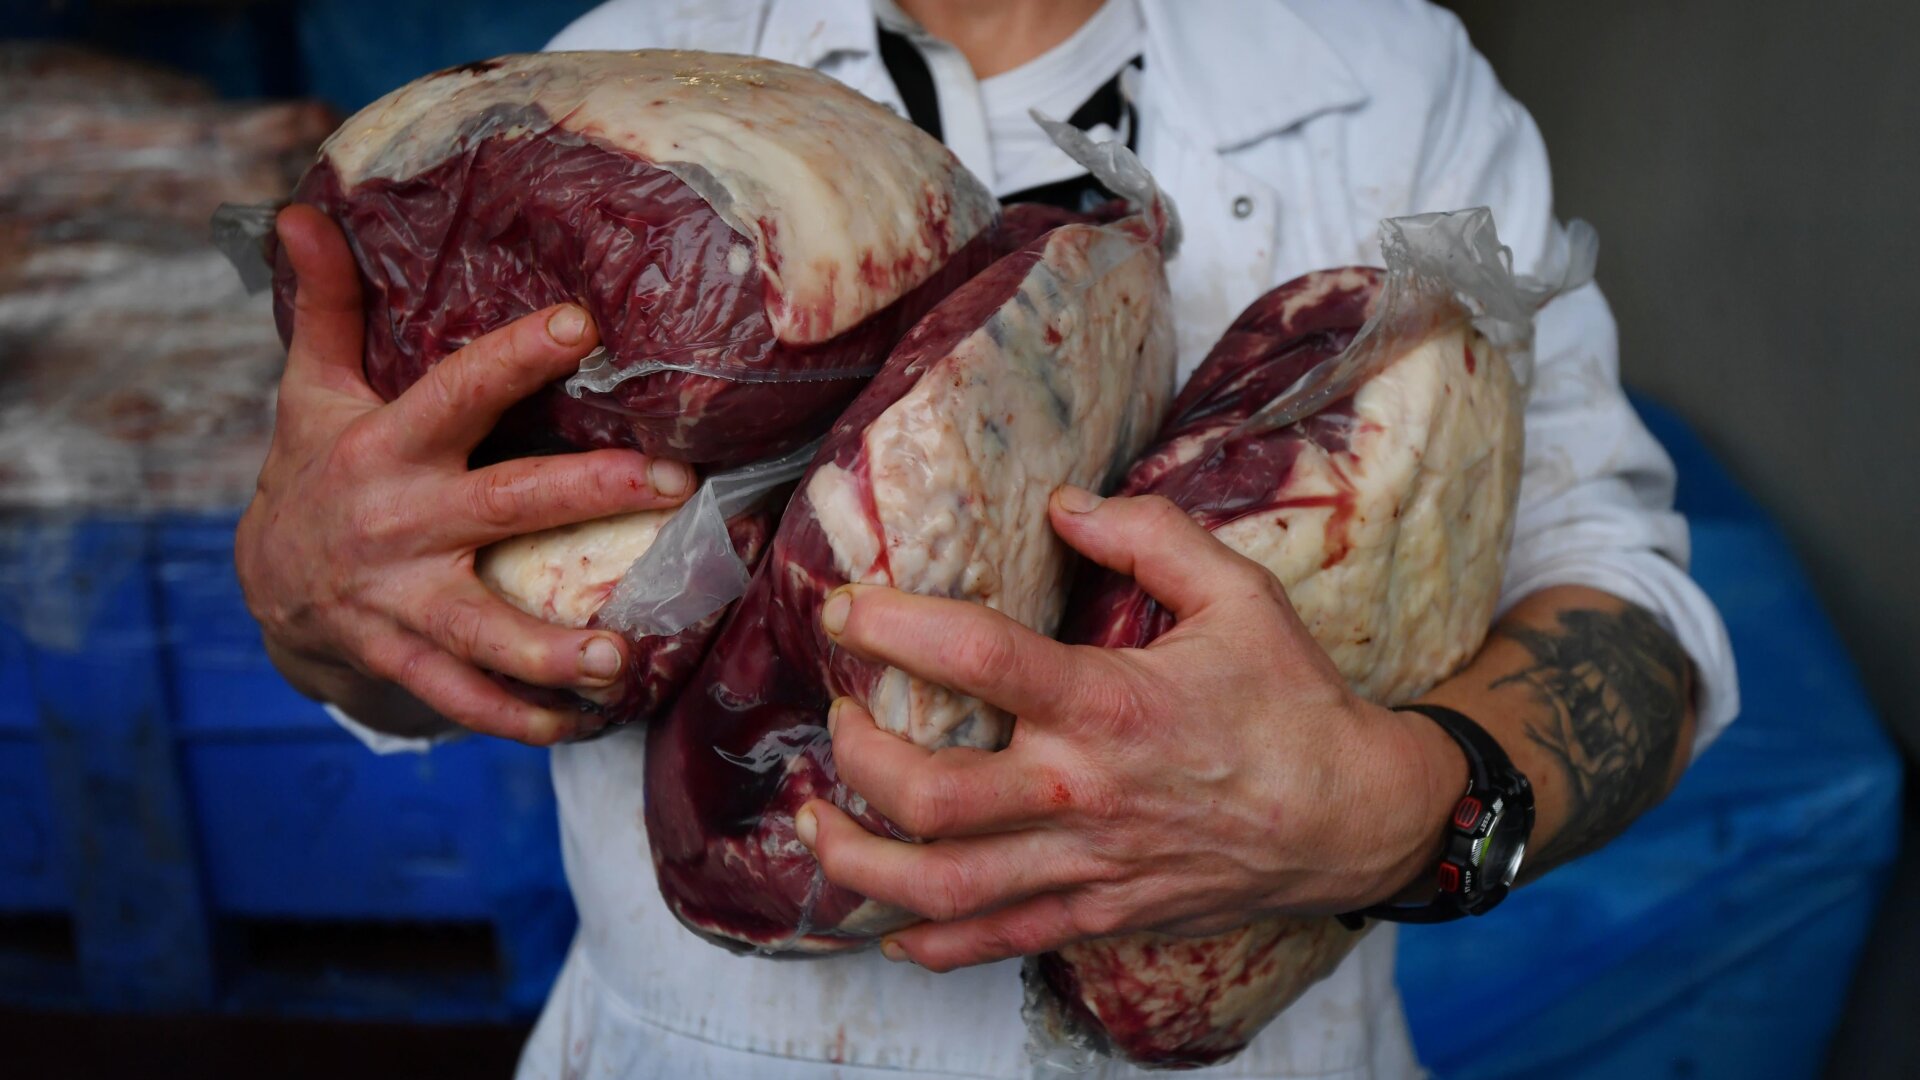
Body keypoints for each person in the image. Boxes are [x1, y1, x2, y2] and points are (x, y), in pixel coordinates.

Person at [236, 1, 1740, 1076]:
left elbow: (1630, 608)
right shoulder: (590, 83)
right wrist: (313, 609)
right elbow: (415, 642)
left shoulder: (1385, 71)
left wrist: (1407, 810)